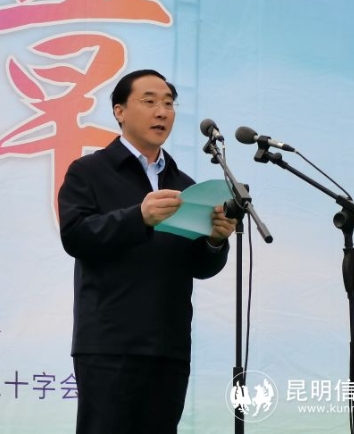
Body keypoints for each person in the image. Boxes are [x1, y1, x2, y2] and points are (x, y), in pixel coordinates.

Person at [58, 69, 237, 434]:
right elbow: (76, 237)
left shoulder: (184, 185)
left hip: (169, 346)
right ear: (119, 111)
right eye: (150, 101)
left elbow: (199, 266)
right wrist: (138, 217)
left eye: (169, 104)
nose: (161, 112)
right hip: (109, 345)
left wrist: (216, 240)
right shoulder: (89, 172)